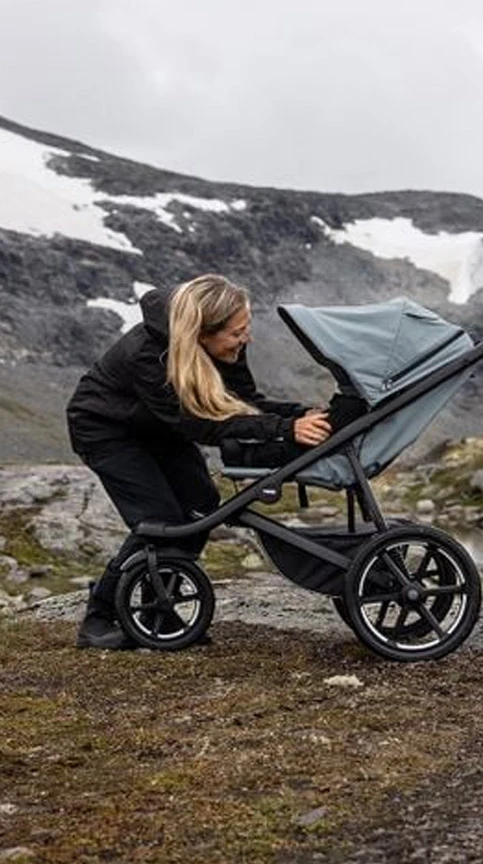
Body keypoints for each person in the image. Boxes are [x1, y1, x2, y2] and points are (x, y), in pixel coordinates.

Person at [67, 273, 335, 650]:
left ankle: (155, 610)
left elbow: (243, 401)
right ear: (202, 334)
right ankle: (98, 618)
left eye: (247, 328)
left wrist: (300, 414)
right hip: (107, 430)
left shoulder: (228, 347)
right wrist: (286, 429)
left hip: (159, 429)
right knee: (158, 521)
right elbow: (197, 424)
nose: (246, 339)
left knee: (200, 508)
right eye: (236, 333)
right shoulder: (149, 354)